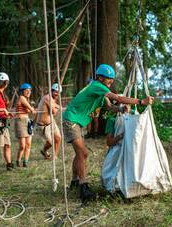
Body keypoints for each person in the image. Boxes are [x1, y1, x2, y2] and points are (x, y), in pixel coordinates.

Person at [63, 64, 154, 203]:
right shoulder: (96, 86)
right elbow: (117, 98)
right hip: (71, 120)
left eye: (111, 79)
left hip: (76, 121)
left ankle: (75, 181)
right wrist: (140, 101)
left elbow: (110, 106)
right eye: (108, 79)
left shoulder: (99, 89)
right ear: (100, 77)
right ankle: (83, 187)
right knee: (83, 153)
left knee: (79, 153)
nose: (110, 82)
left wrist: (121, 109)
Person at [35, 83, 62, 159]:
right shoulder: (47, 98)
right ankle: (44, 150)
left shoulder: (53, 99)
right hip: (42, 125)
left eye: (58, 92)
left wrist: (58, 107)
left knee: (58, 138)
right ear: (52, 91)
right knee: (51, 143)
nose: (57, 94)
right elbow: (54, 112)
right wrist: (57, 108)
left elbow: (55, 107)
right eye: (55, 92)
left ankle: (54, 156)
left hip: (51, 122)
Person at [15, 83, 36, 167]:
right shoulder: (21, 98)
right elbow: (29, 108)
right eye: (26, 90)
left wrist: (31, 109)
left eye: (29, 90)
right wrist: (31, 109)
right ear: (22, 91)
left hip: (27, 121)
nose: (28, 92)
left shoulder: (27, 100)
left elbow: (29, 110)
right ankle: (18, 160)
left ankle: (25, 161)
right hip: (20, 122)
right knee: (22, 145)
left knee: (28, 144)